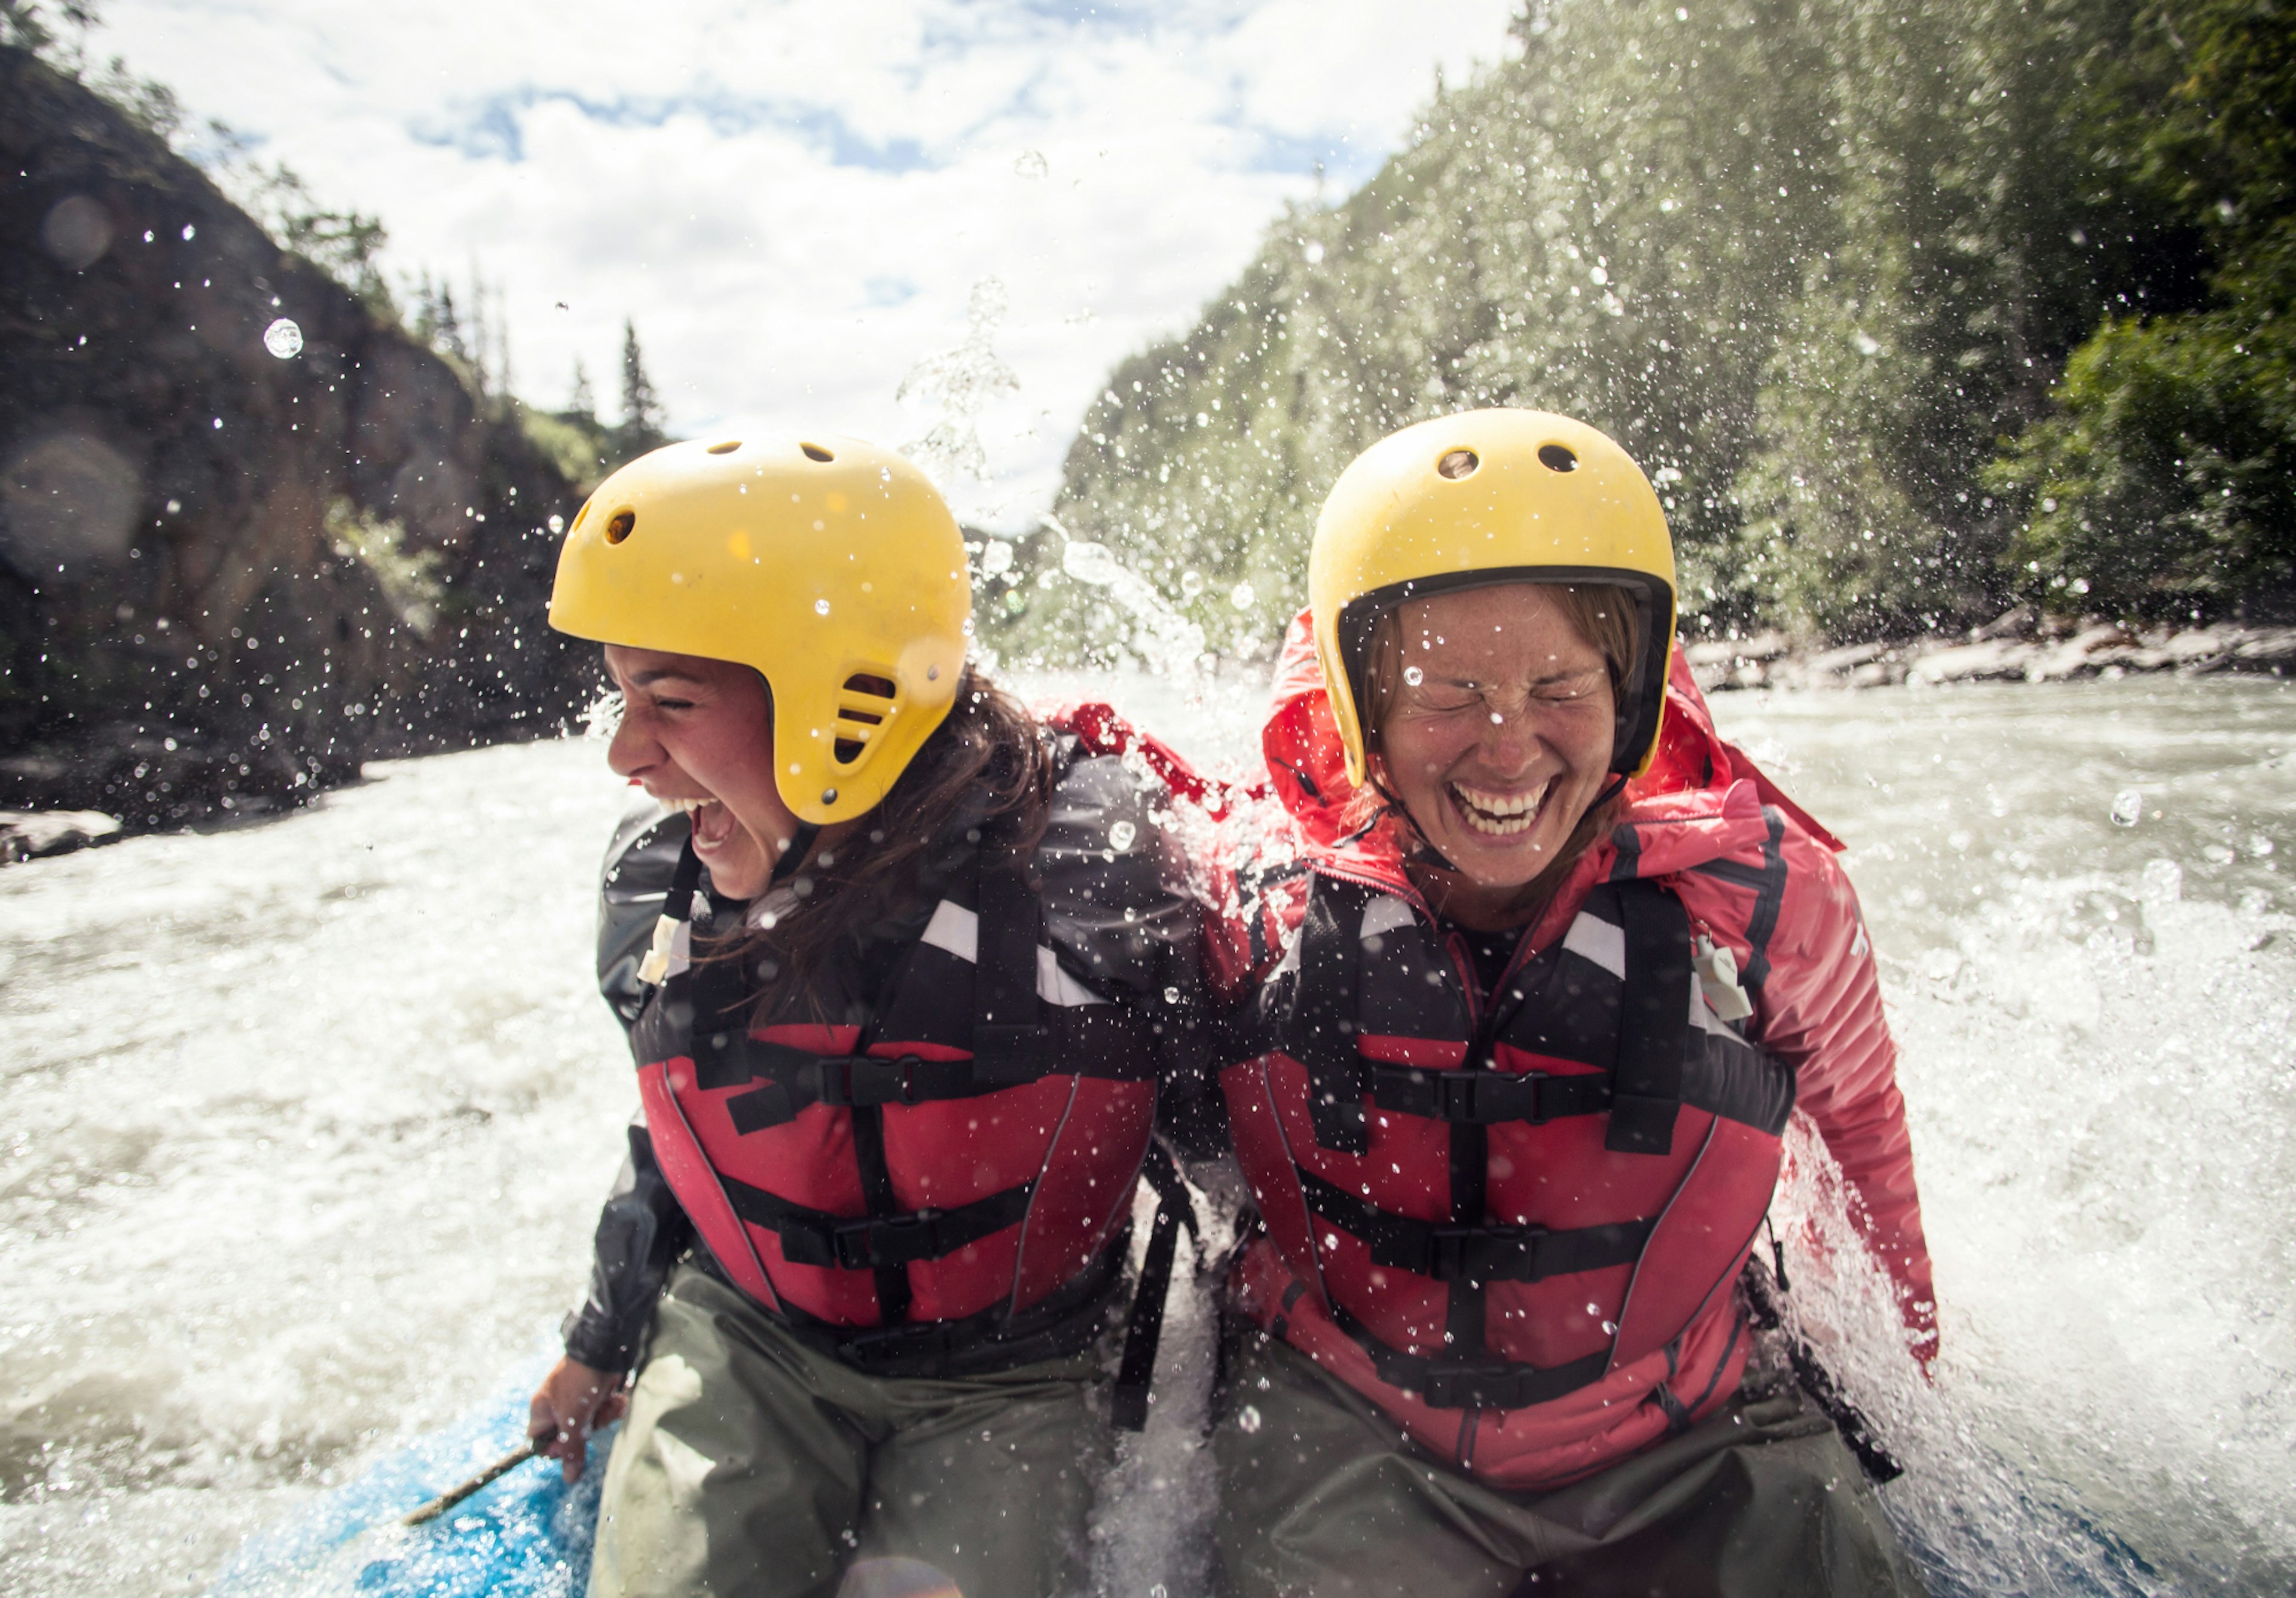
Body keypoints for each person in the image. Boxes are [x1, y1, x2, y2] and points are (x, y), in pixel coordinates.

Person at [1207, 409, 1936, 1597]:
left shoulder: (1762, 901)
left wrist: (1912, 1395)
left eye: (1558, 684)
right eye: (1446, 691)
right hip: (1352, 1433)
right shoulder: (1249, 908)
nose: (1507, 751)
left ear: (1633, 691)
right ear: (1363, 713)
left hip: (1694, 1429)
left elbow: (1864, 1161)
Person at [526, 434, 1205, 1598]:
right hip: (750, 1345)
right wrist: (602, 1335)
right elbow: (688, 1129)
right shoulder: (660, 885)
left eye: (670, 700)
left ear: (841, 693)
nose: (624, 754)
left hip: (1014, 1373)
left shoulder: (1094, 877)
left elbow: (1246, 1126)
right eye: (621, 693)